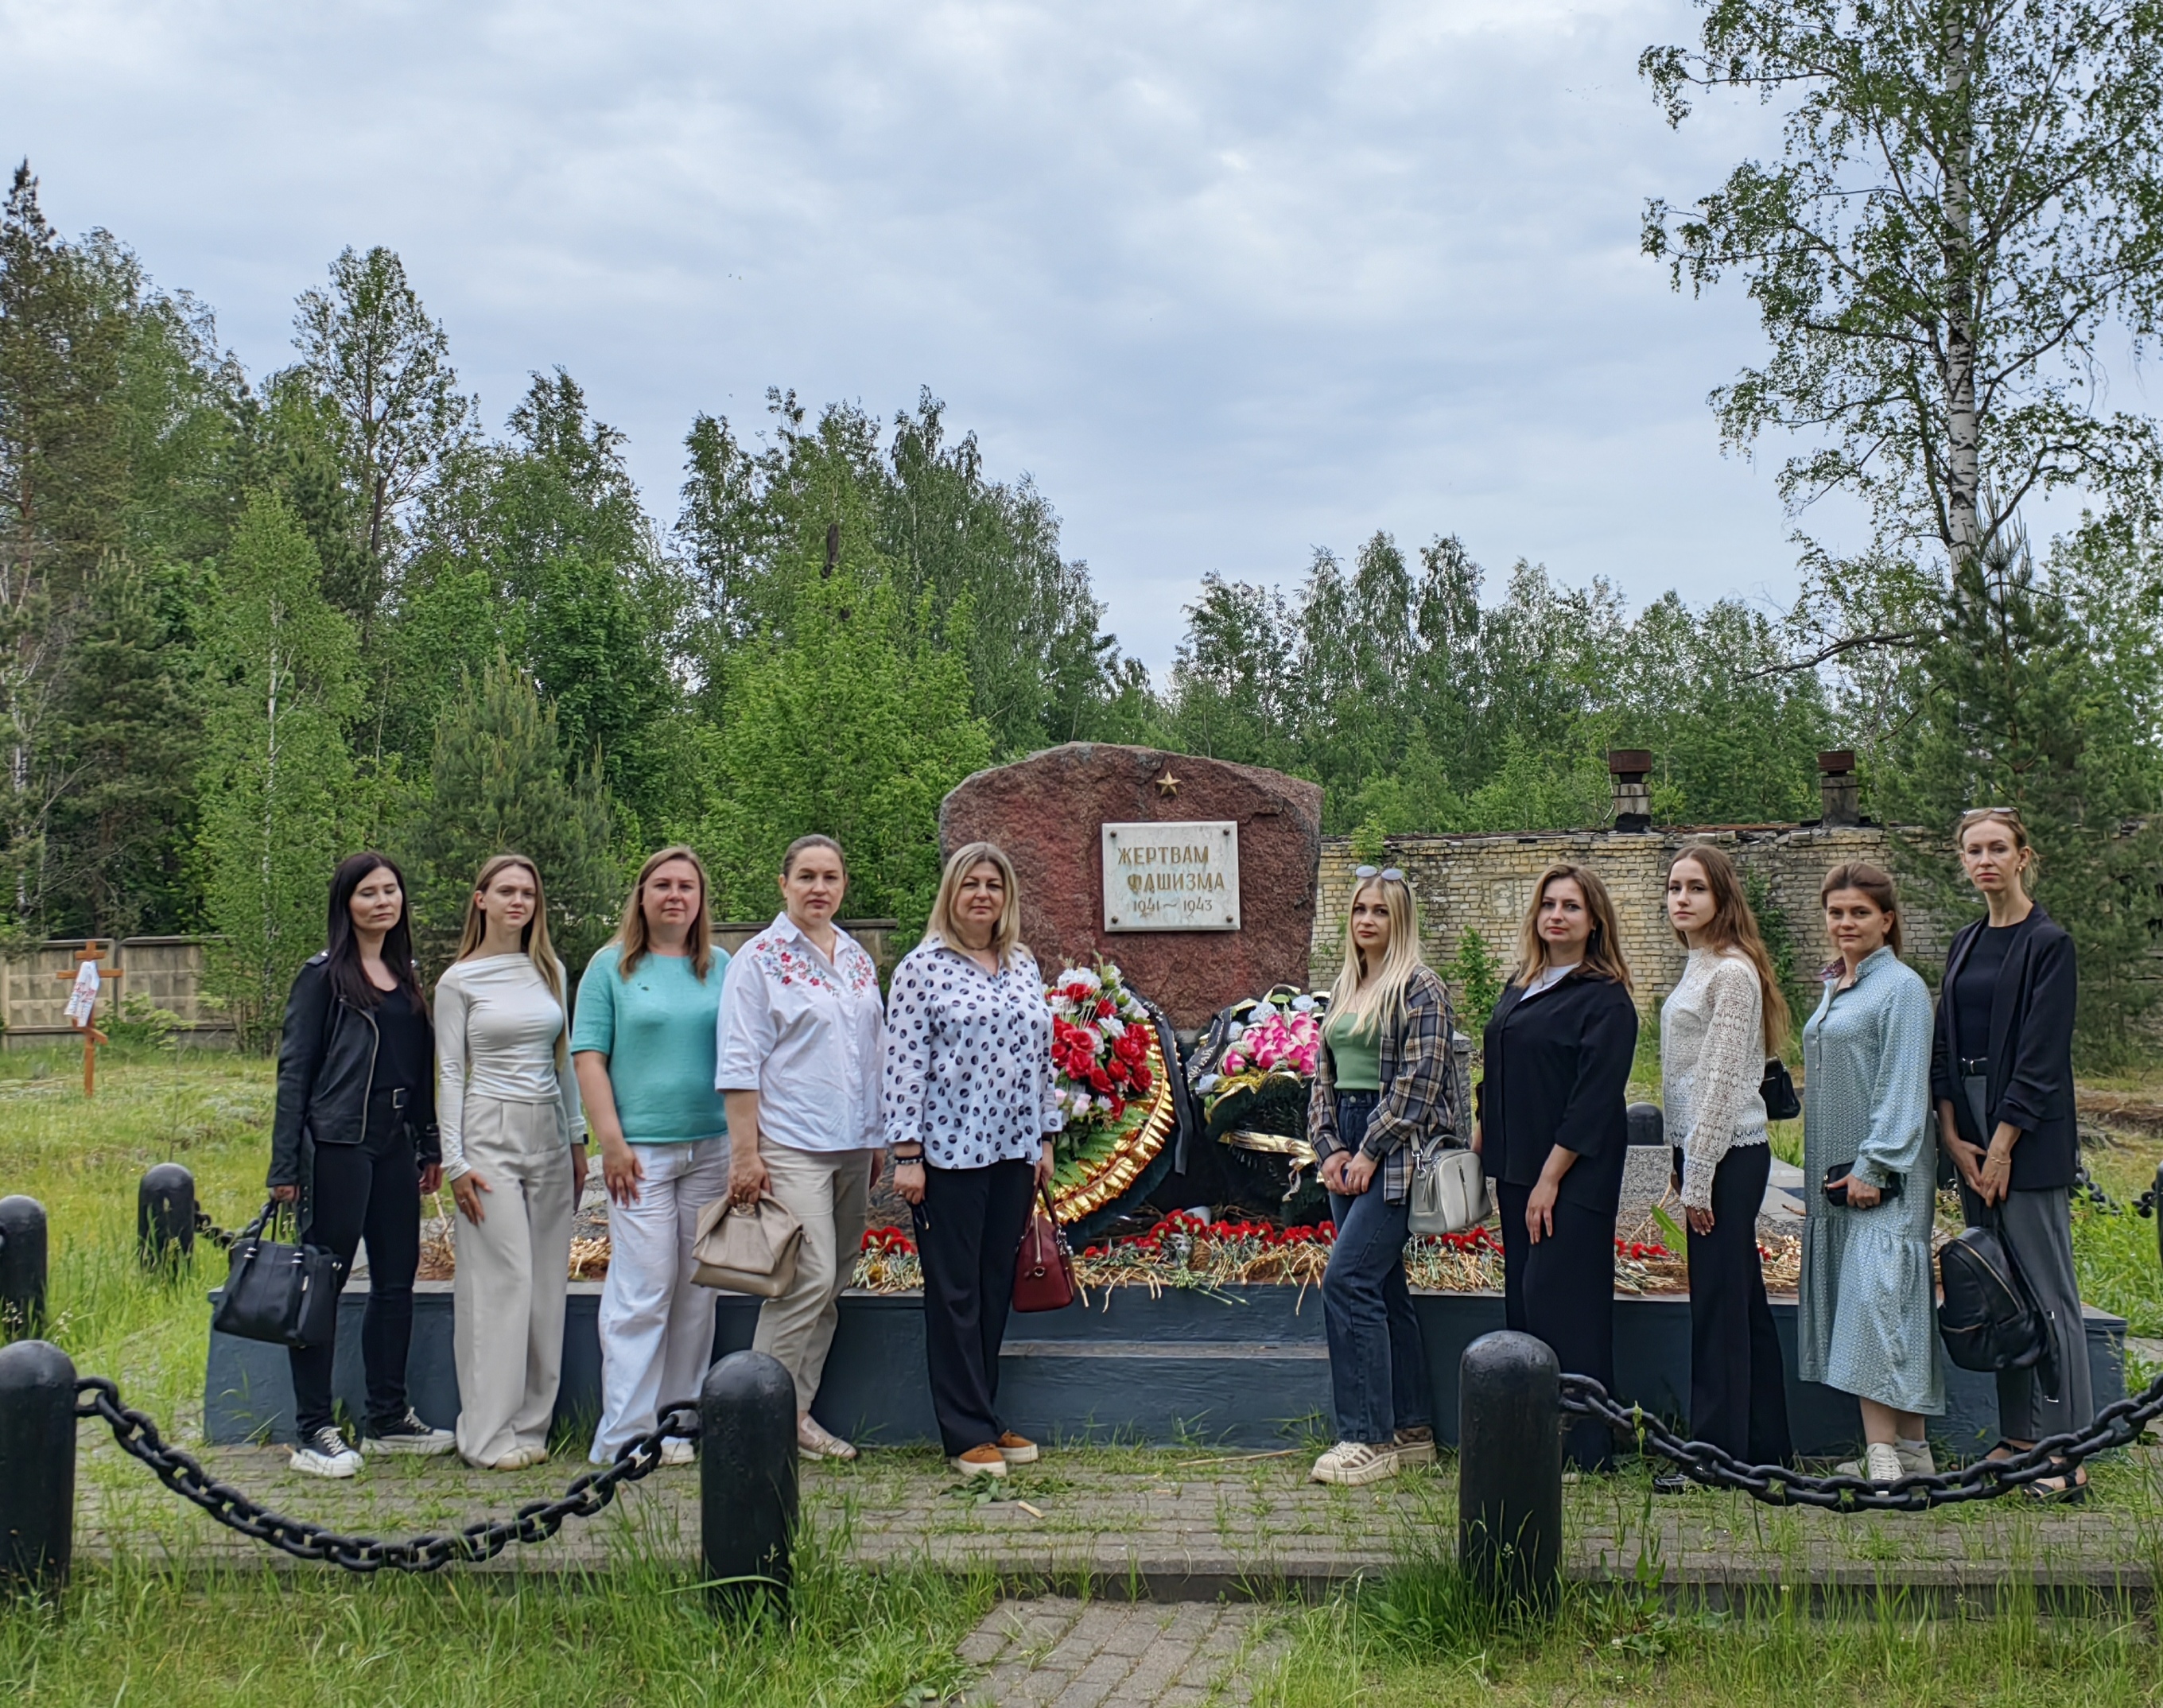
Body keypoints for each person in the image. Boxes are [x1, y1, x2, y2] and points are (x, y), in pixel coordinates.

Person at [266, 852, 454, 1477]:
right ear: (346, 903)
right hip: (337, 1144)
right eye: (368, 893)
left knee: (397, 1281)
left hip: (394, 1144)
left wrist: (428, 1143)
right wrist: (285, 1166)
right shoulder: (323, 977)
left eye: (391, 891)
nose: (383, 902)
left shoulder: (407, 974)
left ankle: (388, 1417)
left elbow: (418, 1067)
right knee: (322, 1284)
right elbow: (295, 1071)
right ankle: (313, 1429)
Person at [883, 842, 1062, 1478]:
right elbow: (903, 1064)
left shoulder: (1021, 964)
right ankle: (963, 1433)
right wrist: (908, 1153)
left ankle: (985, 1414)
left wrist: (1045, 1139)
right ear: (952, 894)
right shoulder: (922, 968)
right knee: (955, 1292)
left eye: (993, 884)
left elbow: (1042, 1060)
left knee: (991, 1286)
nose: (982, 895)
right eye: (971, 884)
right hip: (948, 1153)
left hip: (1012, 1150)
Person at [1930, 808, 2087, 1500]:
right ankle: (2017, 1439)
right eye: (1974, 850)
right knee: (2000, 1294)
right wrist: (1951, 1135)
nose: (1985, 860)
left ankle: (2067, 1449)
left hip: (2026, 1135)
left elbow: (2041, 1057)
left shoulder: (2049, 943)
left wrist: (2001, 1148)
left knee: (2048, 1295)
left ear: (2024, 857)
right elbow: (1944, 1041)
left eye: (1998, 848)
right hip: (1969, 1131)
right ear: (1963, 860)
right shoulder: (1965, 942)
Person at [716, 835, 886, 1462]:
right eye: (807, 876)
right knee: (804, 1279)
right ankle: (755, 1419)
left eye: (830, 877)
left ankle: (795, 1414)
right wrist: (745, 1154)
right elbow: (739, 1060)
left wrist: (877, 1137)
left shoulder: (857, 958)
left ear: (844, 886)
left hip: (853, 1143)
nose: (819, 888)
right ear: (783, 883)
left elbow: (873, 1052)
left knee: (832, 1279)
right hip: (791, 1143)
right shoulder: (759, 961)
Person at [1476, 863, 1638, 1471]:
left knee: (1564, 1304)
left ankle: (1587, 1447)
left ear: (1594, 921)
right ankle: (1532, 1438)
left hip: (1572, 1177)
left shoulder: (1605, 998)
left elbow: (1594, 1098)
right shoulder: (1524, 983)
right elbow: (1501, 1061)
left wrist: (1551, 1177)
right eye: (1549, 904)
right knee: (1524, 1301)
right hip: (1519, 1170)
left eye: (1571, 906)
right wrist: (1482, 1133)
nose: (1557, 916)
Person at [575, 846, 732, 1466]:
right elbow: (589, 1056)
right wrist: (610, 1141)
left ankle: (678, 1423)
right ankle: (625, 1434)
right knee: (642, 1290)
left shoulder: (720, 967)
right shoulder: (610, 967)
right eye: (662, 885)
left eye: (686, 886)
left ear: (700, 899)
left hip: (711, 1147)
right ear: (641, 896)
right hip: (639, 1152)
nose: (675, 896)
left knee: (697, 1290)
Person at [1307, 865, 1457, 1486]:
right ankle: (1412, 1429)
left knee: (1347, 1282)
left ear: (1401, 921)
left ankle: (1367, 1438)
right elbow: (1323, 1077)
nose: (1367, 920)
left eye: (1380, 911)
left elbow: (1420, 1083)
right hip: (1348, 1138)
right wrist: (1328, 1148)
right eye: (1359, 909)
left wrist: (1369, 1149)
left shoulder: (1420, 987)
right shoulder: (1346, 985)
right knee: (1383, 1285)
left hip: (1396, 1147)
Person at [437, 854, 585, 1470]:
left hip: (547, 1130)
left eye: (528, 892)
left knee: (547, 1284)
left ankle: (530, 1426)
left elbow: (563, 1059)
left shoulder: (549, 970)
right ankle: (485, 1434)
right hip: (487, 1132)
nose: (518, 901)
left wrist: (577, 1139)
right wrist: (454, 1161)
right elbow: (450, 1072)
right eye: (506, 891)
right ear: (482, 900)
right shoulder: (458, 982)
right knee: (503, 1282)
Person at [1797, 863, 1943, 1484]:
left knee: (1876, 1300)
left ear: (1887, 919)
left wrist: (1875, 1164)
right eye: (1836, 912)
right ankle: (1913, 1451)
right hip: (1839, 1177)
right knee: (1886, 1304)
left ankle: (1881, 1455)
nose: (1846, 923)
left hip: (1883, 1176)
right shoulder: (1838, 984)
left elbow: (1904, 1082)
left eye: (1859, 912)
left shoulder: (1901, 988)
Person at [1660, 842, 1793, 1485]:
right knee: (1741, 1300)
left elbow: (1719, 1084)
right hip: (1707, 1152)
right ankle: (1765, 1447)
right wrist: (1680, 1156)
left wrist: (1699, 1174)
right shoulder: (1700, 964)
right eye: (1674, 888)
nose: (1682, 899)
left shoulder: (1732, 973)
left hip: (1729, 1153)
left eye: (1696, 888)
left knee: (1718, 1305)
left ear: (1722, 897)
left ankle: (1713, 1456)